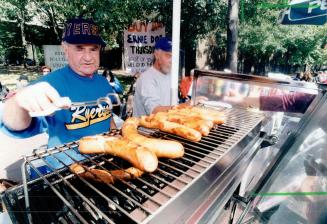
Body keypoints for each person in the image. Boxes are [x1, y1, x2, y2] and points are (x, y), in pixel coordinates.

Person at [1, 17, 117, 148]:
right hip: (66, 165)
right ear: (65, 49)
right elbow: (12, 125)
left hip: (105, 161)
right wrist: (18, 103)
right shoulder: (48, 85)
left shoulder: (103, 83)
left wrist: (115, 137)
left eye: (93, 48)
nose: (88, 57)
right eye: (79, 48)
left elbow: (108, 118)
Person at [133, 37, 175, 117]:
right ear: (156, 54)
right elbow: (154, 111)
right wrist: (185, 106)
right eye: (168, 55)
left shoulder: (171, 76)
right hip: (143, 129)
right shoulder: (146, 78)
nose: (172, 60)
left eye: (175, 56)